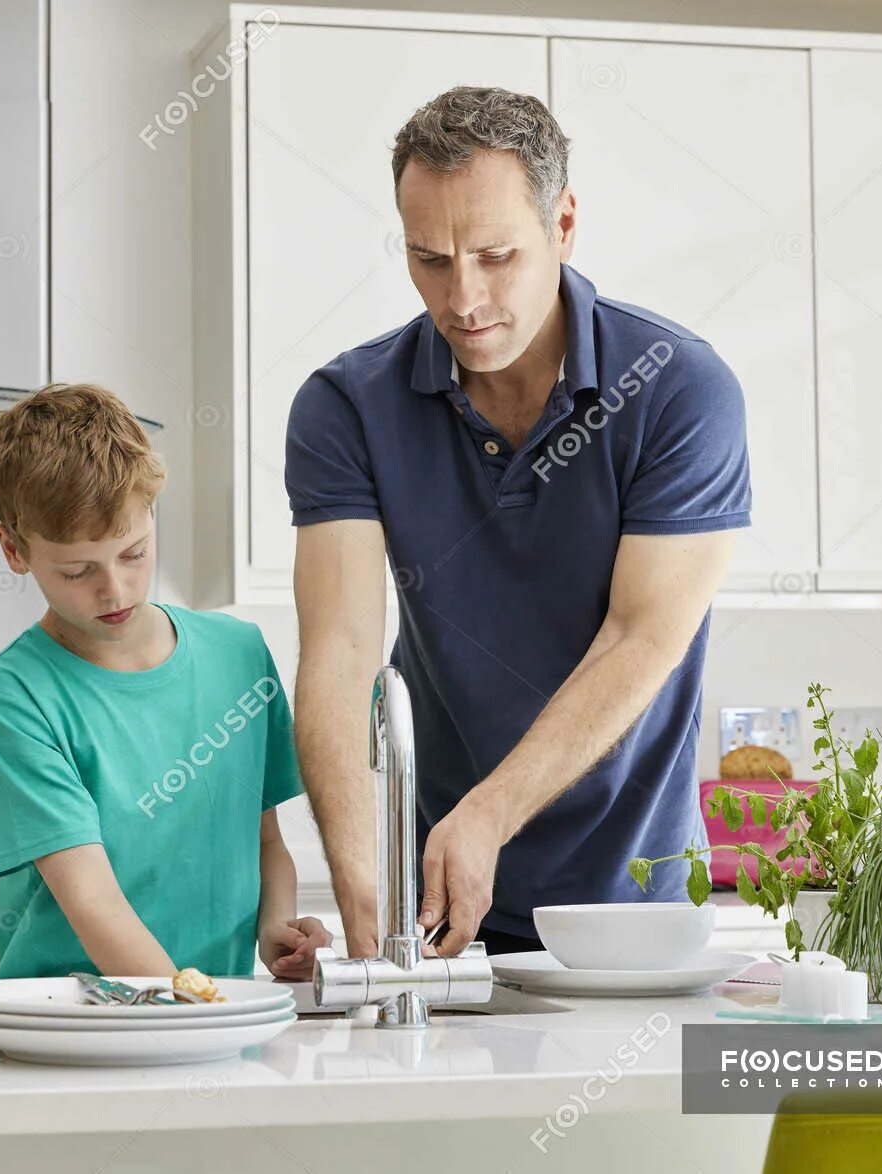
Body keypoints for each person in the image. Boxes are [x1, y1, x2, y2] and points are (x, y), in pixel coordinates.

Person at [285, 87, 751, 960]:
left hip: (637, 904)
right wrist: (362, 885)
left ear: (564, 224)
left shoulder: (681, 390)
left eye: (497, 256)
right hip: (439, 903)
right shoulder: (346, 406)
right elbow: (342, 651)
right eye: (429, 260)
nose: (462, 299)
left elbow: (639, 638)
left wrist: (490, 814)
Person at [0, 382, 331, 979]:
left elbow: (265, 845)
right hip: (74, 1028)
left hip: (209, 1026)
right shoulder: (13, 698)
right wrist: (194, 1009)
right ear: (13, 549)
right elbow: (92, 901)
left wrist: (275, 930)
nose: (114, 590)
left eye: (132, 553)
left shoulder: (238, 656)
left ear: (154, 514)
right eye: (77, 570)